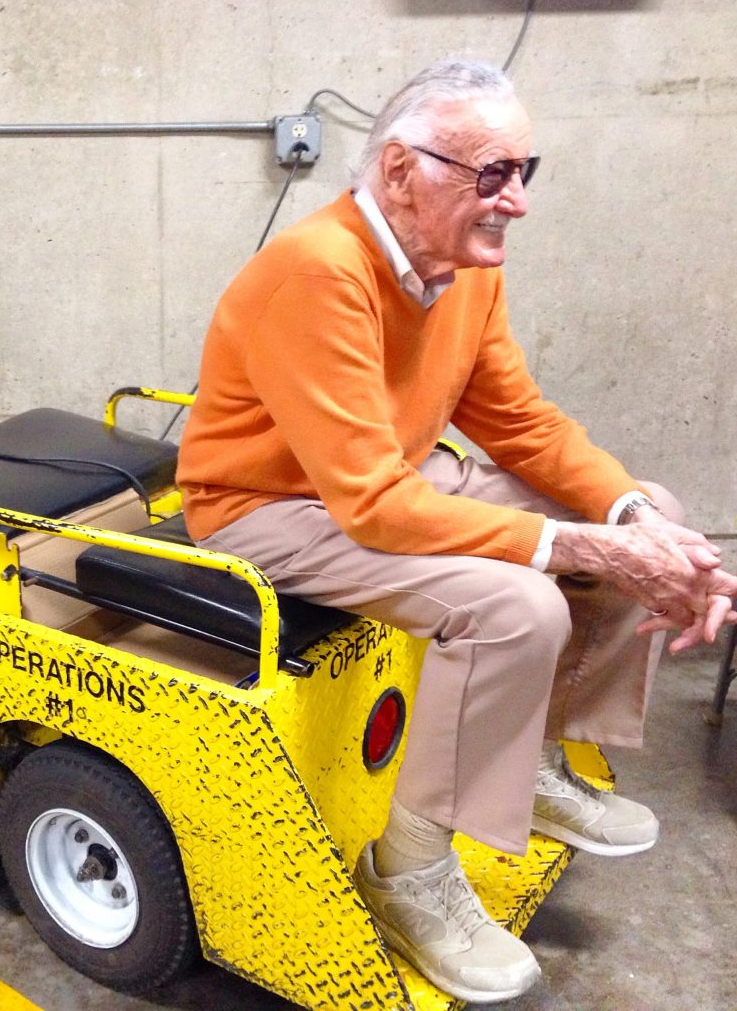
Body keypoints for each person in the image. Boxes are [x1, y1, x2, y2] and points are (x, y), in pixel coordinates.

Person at [176, 58, 737, 1004]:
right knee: (518, 604)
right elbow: (371, 504)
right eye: (491, 174)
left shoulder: (461, 267)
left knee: (659, 511)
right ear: (401, 171)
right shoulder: (318, 270)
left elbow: (520, 425)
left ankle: (538, 759)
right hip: (267, 508)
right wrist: (591, 551)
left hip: (387, 477)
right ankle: (407, 874)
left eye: (524, 171)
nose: (514, 201)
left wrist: (638, 526)